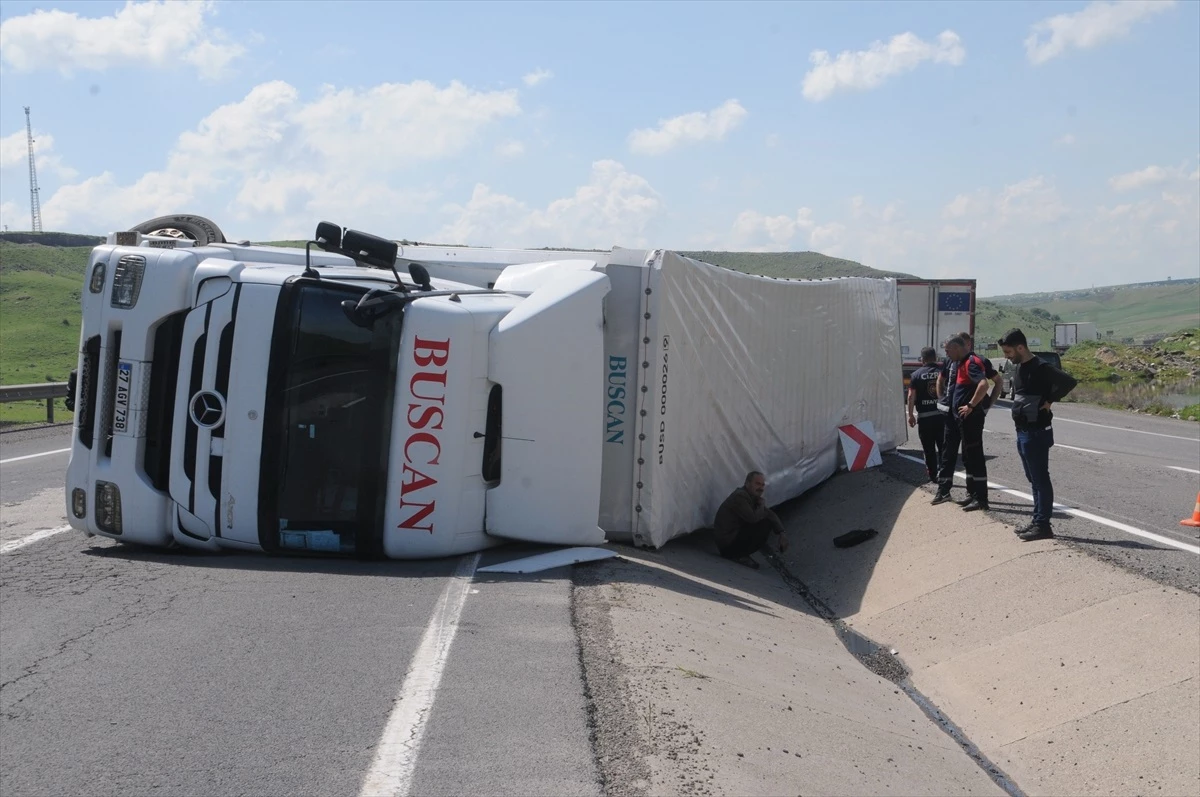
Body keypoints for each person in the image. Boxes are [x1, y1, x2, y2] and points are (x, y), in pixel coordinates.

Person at [997, 328, 1079, 541]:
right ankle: (1037, 520)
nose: (1007, 356)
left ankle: (1043, 525)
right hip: (1023, 431)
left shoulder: (1041, 366)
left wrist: (1050, 399)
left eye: (1008, 352)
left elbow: (1069, 382)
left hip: (1037, 432)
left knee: (1040, 479)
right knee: (1033, 478)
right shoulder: (1020, 368)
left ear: (1020, 347)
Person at [931, 336, 991, 511]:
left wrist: (971, 405)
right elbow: (945, 382)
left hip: (970, 419)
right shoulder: (959, 363)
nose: (946, 354)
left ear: (956, 347)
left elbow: (984, 384)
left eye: (948, 350)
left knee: (975, 458)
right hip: (959, 418)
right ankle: (972, 495)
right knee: (964, 456)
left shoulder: (971, 362)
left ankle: (980, 498)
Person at [713, 471, 789, 568]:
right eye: (757, 484)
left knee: (767, 519)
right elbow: (753, 518)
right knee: (764, 524)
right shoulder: (740, 496)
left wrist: (782, 533)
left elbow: (769, 514)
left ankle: (740, 554)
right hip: (727, 545)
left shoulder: (751, 497)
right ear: (747, 483)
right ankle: (738, 555)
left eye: (762, 485)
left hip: (730, 542)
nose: (761, 488)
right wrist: (761, 505)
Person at [906, 346, 944, 482]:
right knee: (943, 447)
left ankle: (933, 475)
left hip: (925, 418)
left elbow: (911, 396)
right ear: (935, 358)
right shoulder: (942, 372)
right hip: (942, 417)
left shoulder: (916, 375)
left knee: (929, 449)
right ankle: (945, 474)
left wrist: (910, 415)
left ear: (922, 359)